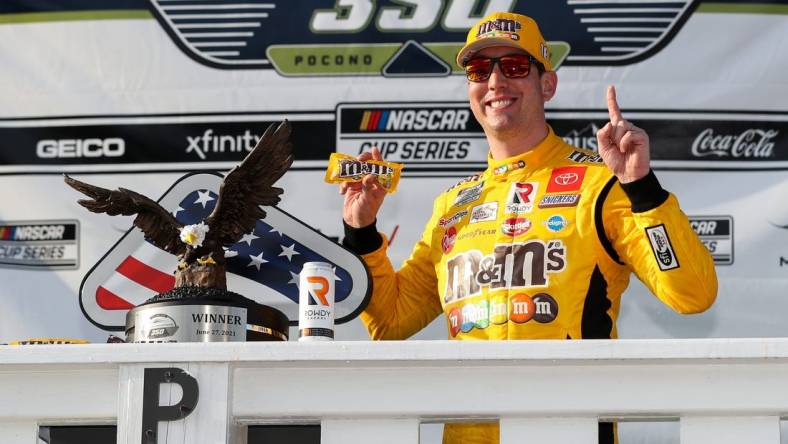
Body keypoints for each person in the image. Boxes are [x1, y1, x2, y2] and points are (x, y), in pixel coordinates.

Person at [340, 11, 717, 444]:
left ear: (547, 84)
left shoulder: (601, 182)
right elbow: (390, 321)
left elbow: (692, 294)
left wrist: (642, 188)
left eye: (515, 67)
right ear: (470, 90)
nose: (496, 82)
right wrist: (362, 231)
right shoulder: (453, 205)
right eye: (480, 70)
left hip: (569, 430)